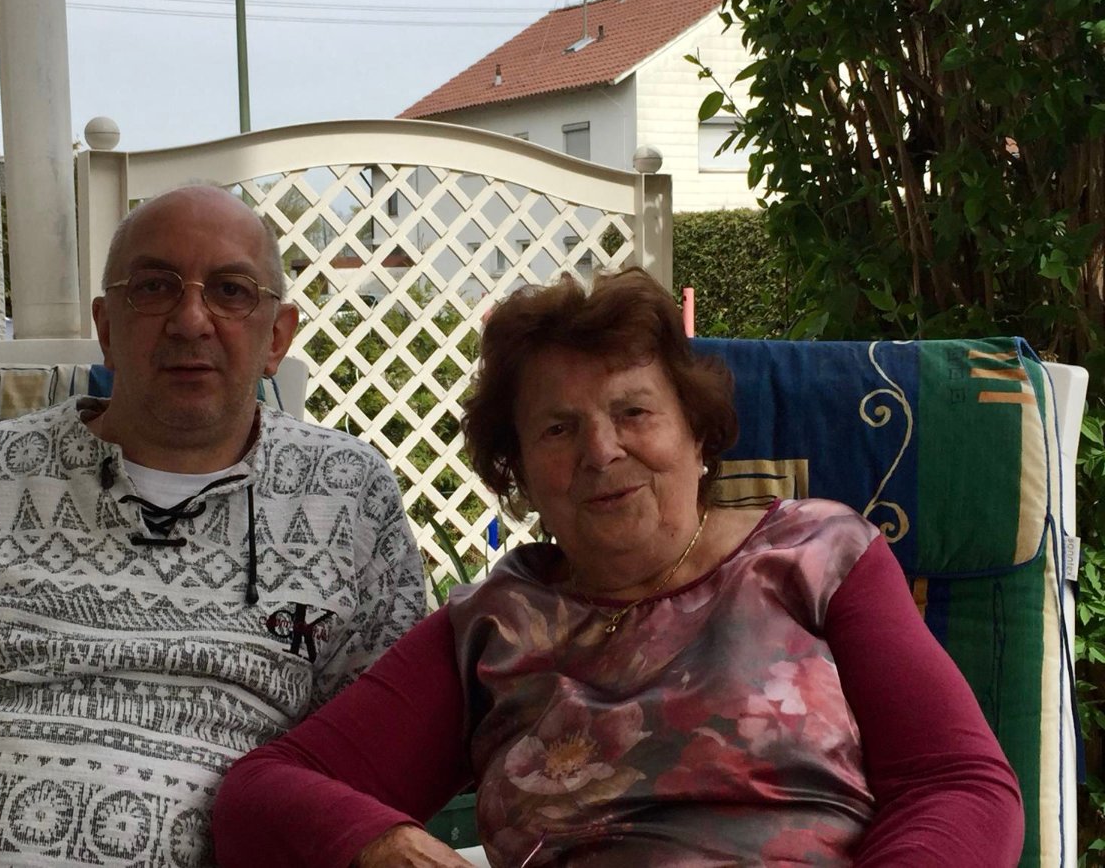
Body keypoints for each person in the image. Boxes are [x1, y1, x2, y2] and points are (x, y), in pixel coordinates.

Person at [211, 266, 1025, 868]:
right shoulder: (493, 627)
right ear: (520, 475)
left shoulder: (818, 556)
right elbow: (261, 793)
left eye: (634, 412)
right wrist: (385, 844)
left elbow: (960, 783)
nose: (602, 451)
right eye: (557, 430)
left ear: (698, 435)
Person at [0, 184, 425, 866]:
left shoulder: (347, 494)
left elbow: (379, 748)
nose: (190, 320)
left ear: (277, 337)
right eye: (153, 287)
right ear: (107, 328)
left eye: (232, 291)